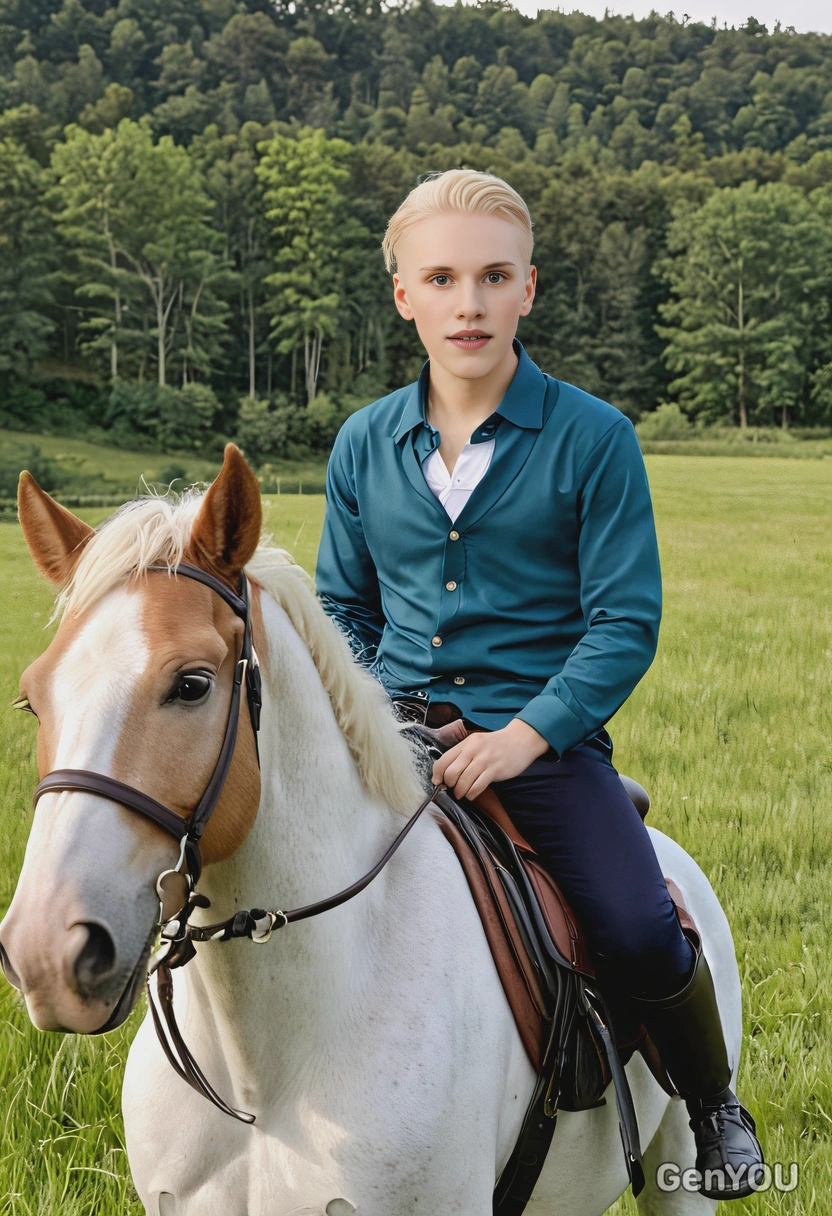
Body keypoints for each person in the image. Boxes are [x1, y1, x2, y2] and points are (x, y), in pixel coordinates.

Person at [314, 168, 764, 1198]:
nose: (466, 303)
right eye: (440, 277)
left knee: (641, 921)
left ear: (528, 289)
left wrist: (526, 735)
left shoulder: (594, 438)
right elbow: (342, 607)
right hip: (392, 742)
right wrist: (376, 714)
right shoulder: (361, 445)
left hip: (543, 752)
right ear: (403, 295)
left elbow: (622, 622)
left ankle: (710, 1104)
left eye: (491, 276)